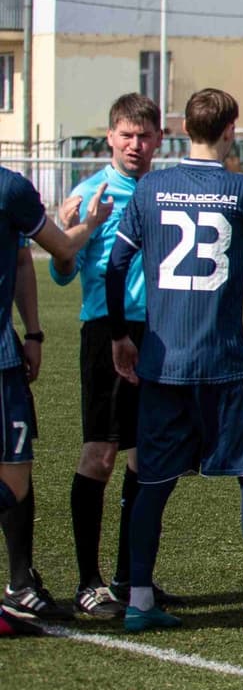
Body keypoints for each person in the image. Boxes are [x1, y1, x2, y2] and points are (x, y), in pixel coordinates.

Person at [103, 88, 243, 631]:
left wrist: (118, 337)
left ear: (181, 129)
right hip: (223, 362)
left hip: (162, 361)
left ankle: (139, 603)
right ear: (231, 130)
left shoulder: (151, 187)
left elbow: (115, 265)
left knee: (151, 482)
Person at [49, 93, 164, 618]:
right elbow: (61, 268)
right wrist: (80, 225)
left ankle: (132, 578)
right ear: (110, 136)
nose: (135, 145)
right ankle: (88, 582)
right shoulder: (92, 191)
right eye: (126, 134)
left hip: (160, 333)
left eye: (144, 136)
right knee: (101, 453)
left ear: (159, 140)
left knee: (149, 459)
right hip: (106, 332)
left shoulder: (163, 191)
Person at [3, 173, 111, 630]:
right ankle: (21, 583)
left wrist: (33, 332)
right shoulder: (9, 187)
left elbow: (24, 259)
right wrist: (89, 222)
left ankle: (22, 582)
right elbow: (63, 251)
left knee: (15, 469)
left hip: (6, 355)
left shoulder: (11, 193)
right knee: (11, 476)